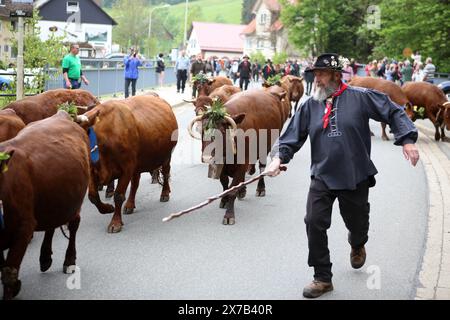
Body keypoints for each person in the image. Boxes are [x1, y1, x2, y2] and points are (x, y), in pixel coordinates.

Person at [265, 53, 419, 299]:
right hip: (322, 176)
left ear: (337, 76)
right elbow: (292, 136)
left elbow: (393, 111)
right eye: (315, 75)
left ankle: (357, 243)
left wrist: (407, 140)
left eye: (322, 75)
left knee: (357, 225)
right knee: (313, 221)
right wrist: (278, 159)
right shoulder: (310, 105)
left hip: (354, 175)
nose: (317, 80)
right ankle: (322, 277)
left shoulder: (360, 98)